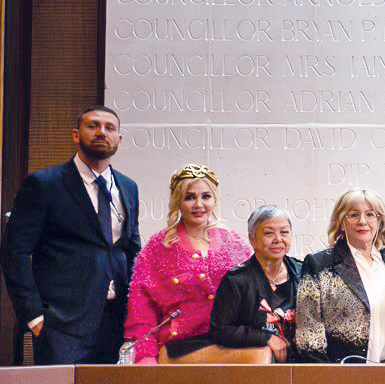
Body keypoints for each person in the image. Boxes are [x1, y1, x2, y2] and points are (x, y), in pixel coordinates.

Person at [5, 106, 142, 364]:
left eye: (109, 128)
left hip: (115, 320)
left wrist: (138, 310)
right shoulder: (45, 184)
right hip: (61, 324)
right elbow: (16, 252)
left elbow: (132, 250)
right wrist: (32, 314)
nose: (101, 132)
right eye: (93, 125)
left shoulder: (128, 187)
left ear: (119, 139)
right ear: (76, 135)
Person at [122, 165, 254, 364]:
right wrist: (145, 355)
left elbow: (255, 299)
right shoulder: (157, 247)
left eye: (206, 196)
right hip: (179, 351)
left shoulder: (236, 244)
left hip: (231, 348)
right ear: (178, 201)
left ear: (215, 200)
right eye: (189, 197)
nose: (198, 204)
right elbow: (141, 308)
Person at [296, 189, 385, 363]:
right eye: (354, 215)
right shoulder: (319, 264)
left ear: (380, 221)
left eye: (370, 215)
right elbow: (308, 333)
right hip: (343, 371)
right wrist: (329, 375)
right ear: (342, 223)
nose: (362, 221)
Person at [210, 206, 300, 363]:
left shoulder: (303, 272)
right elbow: (220, 330)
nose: (278, 239)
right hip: (257, 366)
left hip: (302, 364)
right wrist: (265, 338)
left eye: (284, 232)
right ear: (253, 239)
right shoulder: (236, 280)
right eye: (268, 233)